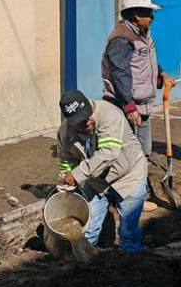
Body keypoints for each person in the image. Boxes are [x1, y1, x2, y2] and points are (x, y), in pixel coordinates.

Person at [55, 90, 148, 253]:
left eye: (87, 116)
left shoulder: (109, 114)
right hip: (96, 183)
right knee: (86, 228)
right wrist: (66, 183)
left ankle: (130, 262)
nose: (87, 122)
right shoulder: (65, 133)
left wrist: (76, 175)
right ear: (70, 122)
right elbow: (66, 161)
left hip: (129, 178)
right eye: (80, 122)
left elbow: (108, 153)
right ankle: (86, 260)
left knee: (128, 232)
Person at [101, 0, 176, 158]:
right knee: (128, 155)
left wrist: (162, 74)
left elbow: (144, 61)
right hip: (126, 106)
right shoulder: (122, 39)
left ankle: (142, 171)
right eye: (149, 13)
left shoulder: (142, 33)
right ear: (136, 15)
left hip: (143, 104)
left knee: (144, 152)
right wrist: (129, 107)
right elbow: (120, 74)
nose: (152, 17)